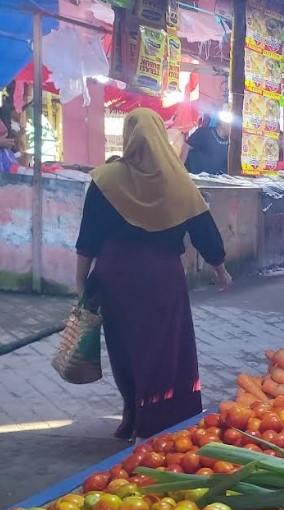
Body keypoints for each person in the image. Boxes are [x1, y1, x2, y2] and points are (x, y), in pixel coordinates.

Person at [75, 108, 232, 441]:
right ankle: (158, 420)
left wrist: (80, 283)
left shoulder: (105, 179)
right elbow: (204, 230)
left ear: (128, 136)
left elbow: (87, 238)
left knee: (125, 348)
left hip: (115, 277)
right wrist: (220, 269)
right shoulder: (178, 180)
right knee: (163, 349)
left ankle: (133, 415)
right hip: (162, 279)